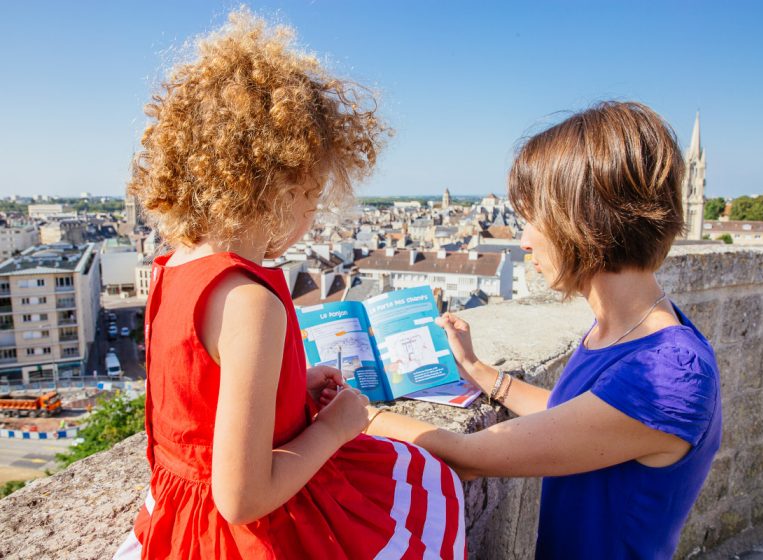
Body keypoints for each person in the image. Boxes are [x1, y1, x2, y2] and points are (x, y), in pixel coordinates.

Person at [113, 11, 464, 560]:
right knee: (428, 485)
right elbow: (241, 497)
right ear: (283, 189)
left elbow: (198, 400)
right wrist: (337, 429)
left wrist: (291, 388)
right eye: (312, 197)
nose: (311, 216)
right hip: (244, 536)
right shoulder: (251, 300)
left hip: (177, 515)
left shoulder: (173, 267)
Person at [366, 102, 722, 559]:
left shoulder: (668, 376)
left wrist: (360, 416)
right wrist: (478, 370)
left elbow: (467, 455)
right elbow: (574, 416)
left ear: (585, 222)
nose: (525, 239)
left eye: (536, 219)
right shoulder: (633, 332)